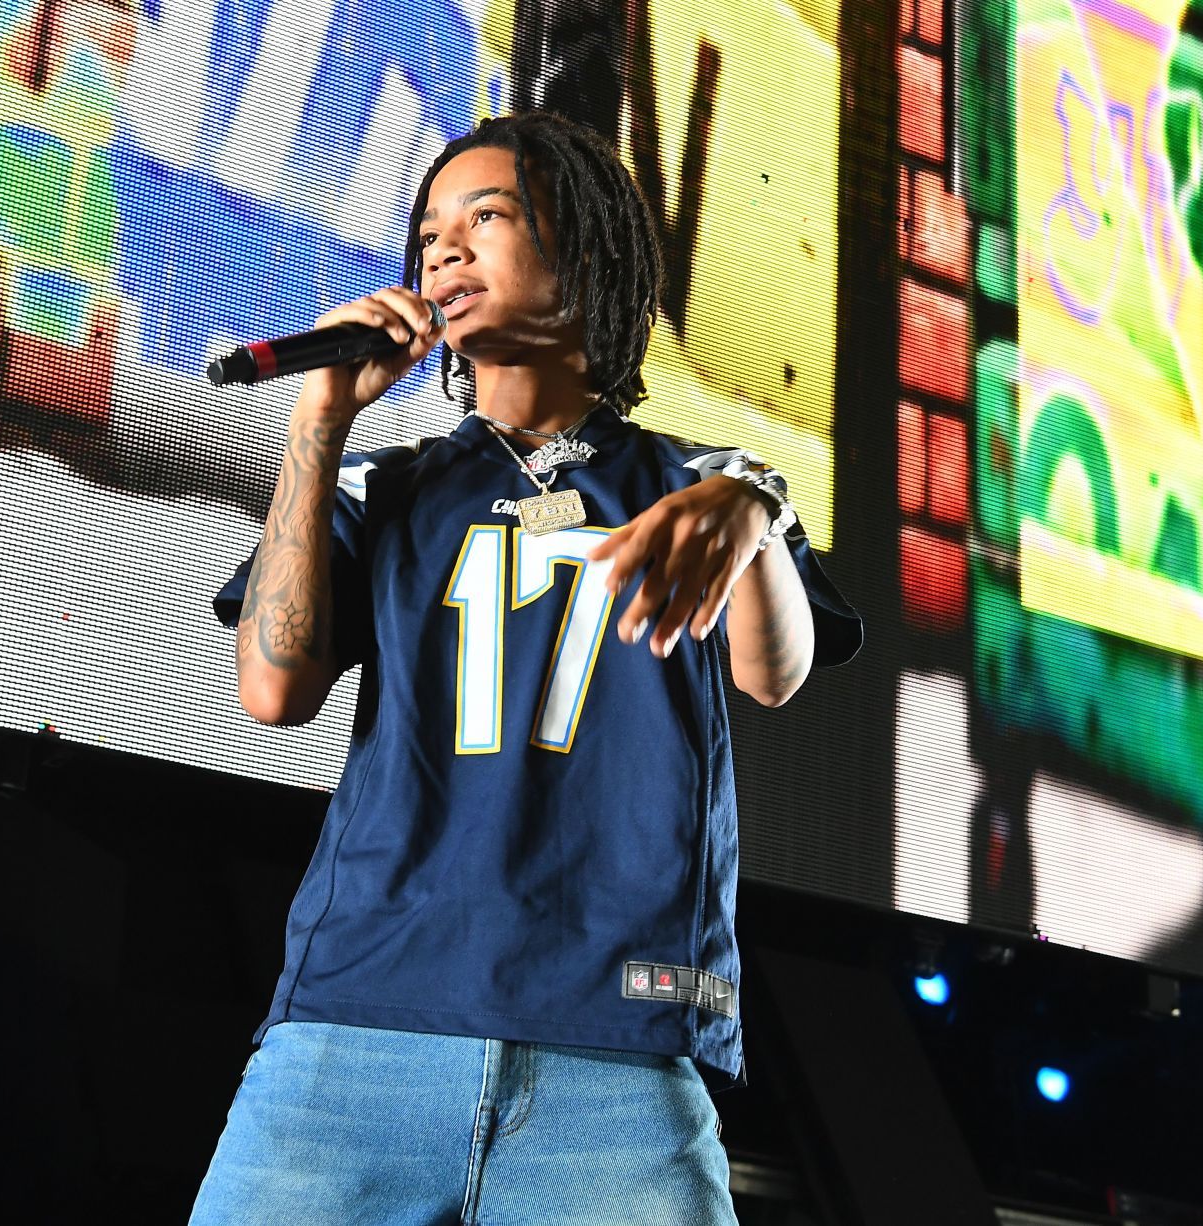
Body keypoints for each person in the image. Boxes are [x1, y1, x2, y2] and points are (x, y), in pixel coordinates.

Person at [193, 111, 862, 1225]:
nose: (444, 250)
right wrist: (319, 416)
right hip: (361, 1021)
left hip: (614, 1045)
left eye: (486, 217)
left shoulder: (705, 480)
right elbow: (272, 689)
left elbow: (774, 671)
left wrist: (752, 509)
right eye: (429, 234)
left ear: (586, 254)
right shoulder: (382, 482)